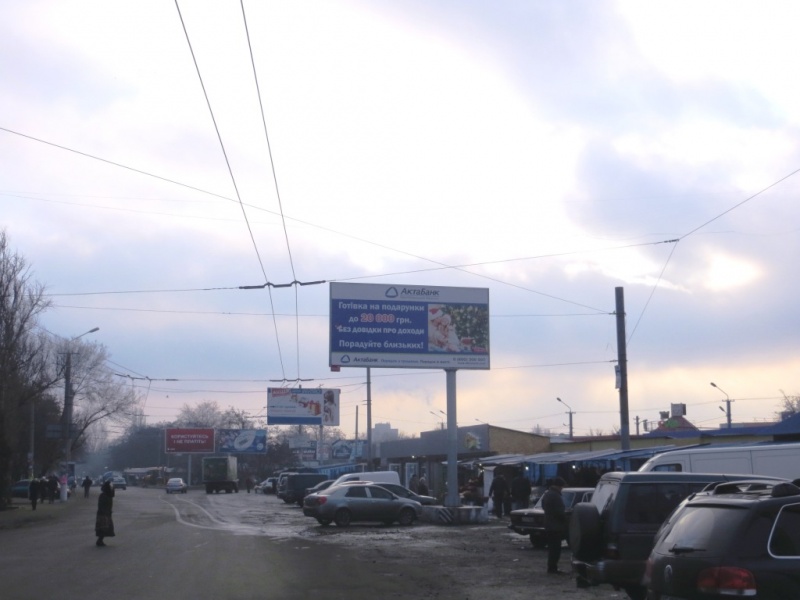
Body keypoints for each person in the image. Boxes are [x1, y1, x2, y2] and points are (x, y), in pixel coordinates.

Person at [541, 477, 568, 574]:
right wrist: (565, 520)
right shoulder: (555, 496)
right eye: (562, 487)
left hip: (549, 524)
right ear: (559, 486)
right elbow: (559, 512)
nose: (562, 489)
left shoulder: (547, 494)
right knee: (555, 548)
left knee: (552, 548)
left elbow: (544, 506)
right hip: (555, 526)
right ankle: (553, 568)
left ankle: (551, 567)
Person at [95, 480, 115, 547]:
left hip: (106, 513)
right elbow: (101, 505)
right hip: (103, 514)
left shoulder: (108, 494)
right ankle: (99, 540)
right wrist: (104, 512)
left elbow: (112, 494)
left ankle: (100, 540)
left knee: (105, 527)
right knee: (103, 527)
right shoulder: (103, 495)